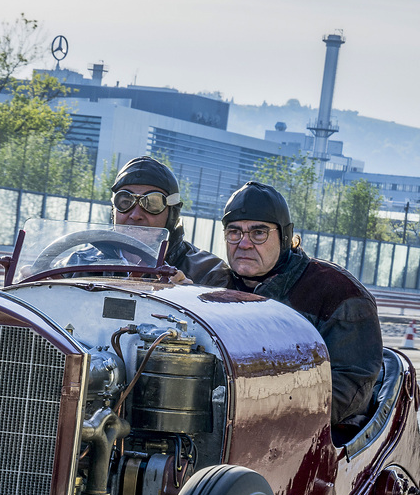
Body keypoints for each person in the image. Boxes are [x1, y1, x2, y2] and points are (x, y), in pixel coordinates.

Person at [218, 181, 384, 435]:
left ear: (285, 236)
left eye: (258, 233)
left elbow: (351, 387)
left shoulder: (340, 294)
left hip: (315, 436)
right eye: (234, 232)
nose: (244, 243)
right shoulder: (213, 287)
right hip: (229, 425)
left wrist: (265, 410)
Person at [107, 156, 230, 285]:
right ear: (113, 210)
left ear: (172, 214)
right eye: (126, 202)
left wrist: (192, 298)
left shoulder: (209, 272)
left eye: (152, 203)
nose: (136, 215)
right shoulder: (86, 265)